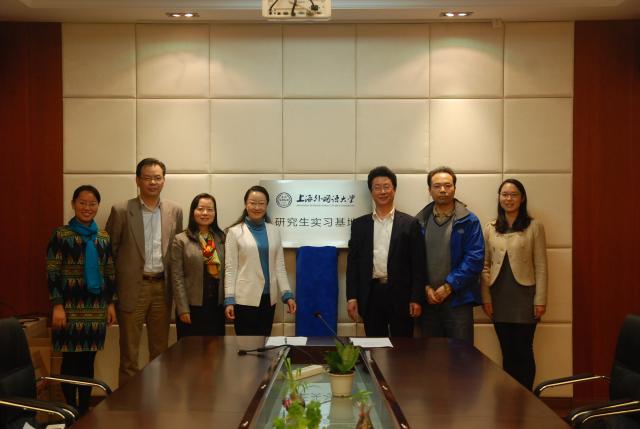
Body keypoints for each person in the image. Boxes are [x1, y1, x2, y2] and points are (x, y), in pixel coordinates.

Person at [105, 158, 183, 385]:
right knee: (129, 352)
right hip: (132, 289)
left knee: (160, 350)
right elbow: (110, 254)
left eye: (157, 178)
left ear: (164, 181)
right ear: (138, 180)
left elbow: (176, 252)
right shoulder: (121, 210)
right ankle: (128, 401)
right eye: (147, 178)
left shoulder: (175, 210)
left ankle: (156, 397)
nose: (153, 182)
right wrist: (111, 296)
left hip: (162, 288)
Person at [46, 185, 116, 414]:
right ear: (73, 204)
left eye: (92, 203)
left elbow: (109, 271)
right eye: (82, 203)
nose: (87, 207)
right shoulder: (61, 235)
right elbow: (52, 271)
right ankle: (70, 410)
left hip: (95, 308)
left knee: (88, 361)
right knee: (70, 362)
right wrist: (57, 305)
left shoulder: (103, 237)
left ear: (98, 206)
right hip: (68, 308)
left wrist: (111, 303)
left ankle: (84, 411)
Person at [481, 178, 547, 390]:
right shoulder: (491, 228)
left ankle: (527, 398)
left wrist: (540, 300)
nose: (508, 199)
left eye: (514, 194)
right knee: (507, 352)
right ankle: (511, 398)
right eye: (505, 195)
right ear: (499, 198)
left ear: (522, 198)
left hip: (525, 297)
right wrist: (486, 298)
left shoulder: (534, 226)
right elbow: (484, 266)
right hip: (499, 297)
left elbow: (541, 266)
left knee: (524, 350)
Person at [346, 166, 424, 337]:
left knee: (403, 346)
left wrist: (416, 298)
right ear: (371, 191)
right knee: (374, 345)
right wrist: (352, 297)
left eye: (386, 186)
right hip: (371, 293)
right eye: (377, 187)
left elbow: (418, 264)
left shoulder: (410, 224)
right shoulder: (359, 225)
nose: (382, 191)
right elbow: (353, 264)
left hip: (401, 294)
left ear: (394, 189)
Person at [416, 166, 484, 343]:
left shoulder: (469, 221)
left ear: (454, 188)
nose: (443, 190)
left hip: (459, 300)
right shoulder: (419, 221)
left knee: (461, 355)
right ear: (429, 190)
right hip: (428, 301)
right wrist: (425, 287)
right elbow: (413, 260)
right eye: (437, 186)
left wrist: (449, 286)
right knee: (430, 355)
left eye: (447, 185)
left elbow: (475, 259)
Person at [224, 185, 296, 336]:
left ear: (266, 205)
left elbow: (279, 266)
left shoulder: (274, 230)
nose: (257, 207)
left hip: (269, 299)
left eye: (261, 203)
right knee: (245, 344)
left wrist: (287, 295)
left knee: (264, 342)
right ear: (246, 204)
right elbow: (230, 268)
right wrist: (229, 299)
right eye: (252, 203)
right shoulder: (234, 232)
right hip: (244, 299)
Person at [171, 193, 226, 338]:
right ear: (193, 212)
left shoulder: (222, 238)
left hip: (217, 307)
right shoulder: (181, 240)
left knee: (217, 350)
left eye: (210, 209)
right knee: (190, 350)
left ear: (215, 213)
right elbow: (176, 277)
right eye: (200, 209)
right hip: (192, 307)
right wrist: (182, 308)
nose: (205, 213)